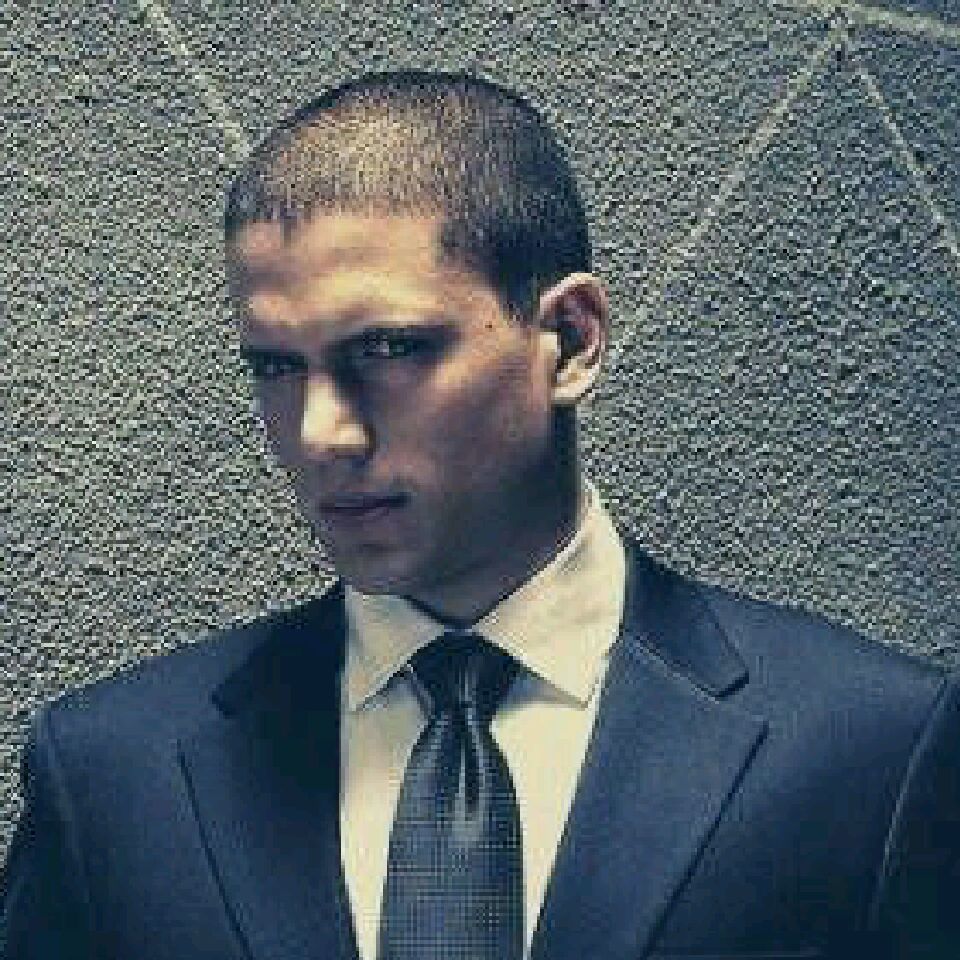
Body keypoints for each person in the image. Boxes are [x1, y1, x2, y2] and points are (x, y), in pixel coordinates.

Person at [1, 69, 958, 960]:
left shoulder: (872, 750)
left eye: (388, 349)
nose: (322, 433)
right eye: (276, 366)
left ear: (570, 340)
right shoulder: (111, 775)